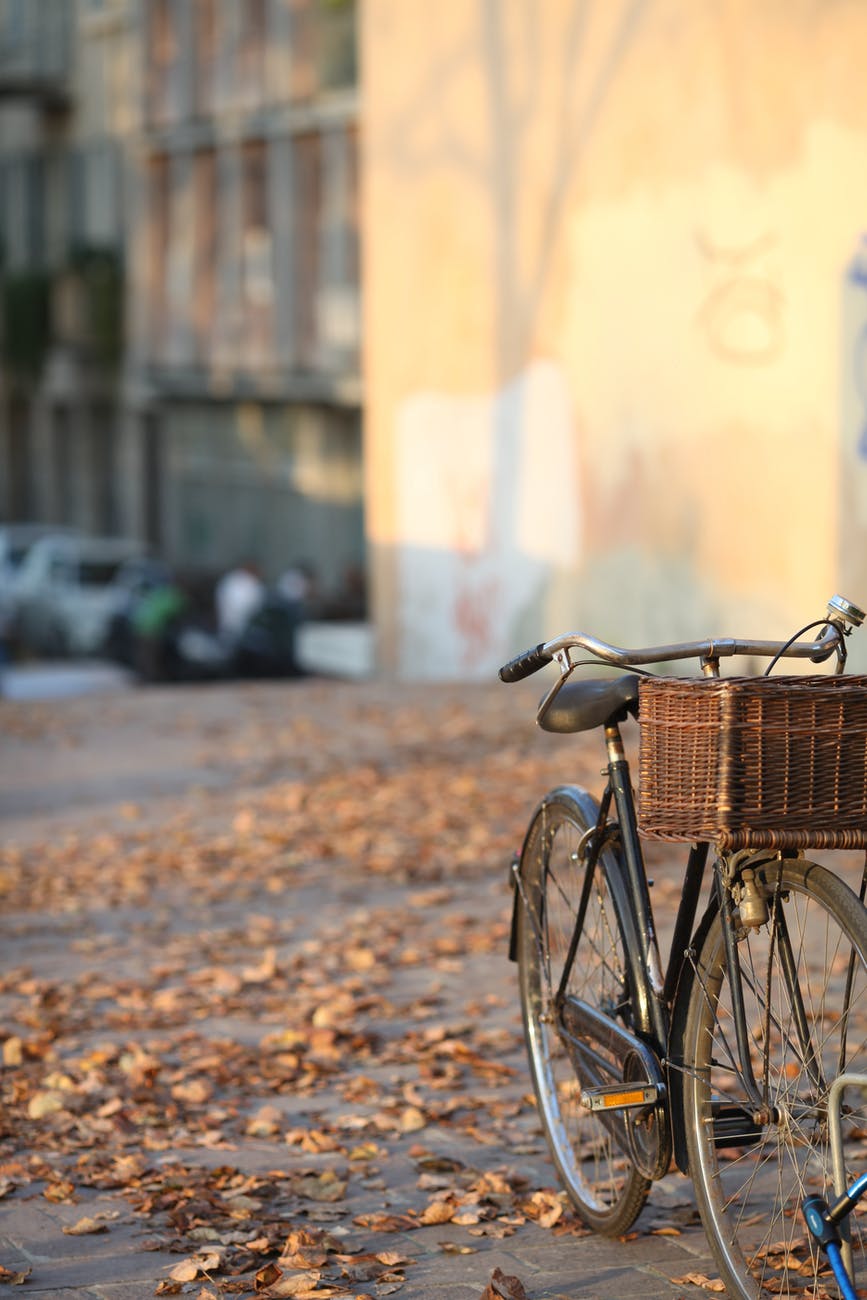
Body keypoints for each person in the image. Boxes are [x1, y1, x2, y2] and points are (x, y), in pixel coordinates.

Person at [214, 561, 265, 646]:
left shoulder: (230, 579)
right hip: (239, 624)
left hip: (227, 622)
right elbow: (255, 606)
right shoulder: (251, 584)